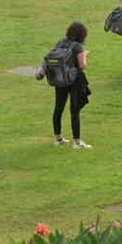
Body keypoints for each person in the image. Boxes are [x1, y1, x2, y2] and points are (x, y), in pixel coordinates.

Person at [48, 20, 92, 149]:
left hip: (60, 78)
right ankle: (77, 142)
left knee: (58, 107)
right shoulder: (77, 46)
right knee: (74, 110)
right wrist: (85, 55)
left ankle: (58, 138)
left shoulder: (60, 43)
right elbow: (82, 65)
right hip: (74, 80)